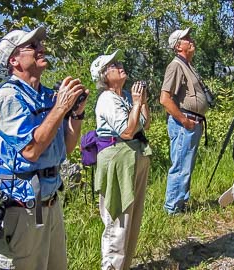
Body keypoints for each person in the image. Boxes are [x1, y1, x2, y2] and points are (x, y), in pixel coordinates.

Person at [0, 26, 88, 270]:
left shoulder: (45, 96)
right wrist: (61, 108)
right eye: (32, 46)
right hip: (21, 208)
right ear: (14, 60)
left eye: (39, 44)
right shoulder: (8, 98)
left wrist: (76, 113)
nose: (41, 48)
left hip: (50, 203)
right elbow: (31, 150)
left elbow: (67, 148)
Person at [90, 50, 151, 270]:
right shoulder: (107, 99)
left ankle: (124, 266)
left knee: (132, 218)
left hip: (134, 156)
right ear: (104, 76)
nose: (119, 65)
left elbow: (144, 124)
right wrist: (135, 103)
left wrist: (141, 102)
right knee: (118, 218)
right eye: (113, 65)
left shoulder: (123, 95)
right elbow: (126, 131)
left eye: (118, 62)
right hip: (117, 160)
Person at [159, 28, 210, 214]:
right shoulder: (175, 66)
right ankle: (172, 208)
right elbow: (165, 99)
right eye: (186, 38)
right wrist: (184, 121)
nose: (191, 40)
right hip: (184, 124)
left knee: (186, 165)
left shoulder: (187, 65)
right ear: (178, 45)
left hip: (191, 122)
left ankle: (181, 203)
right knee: (180, 165)